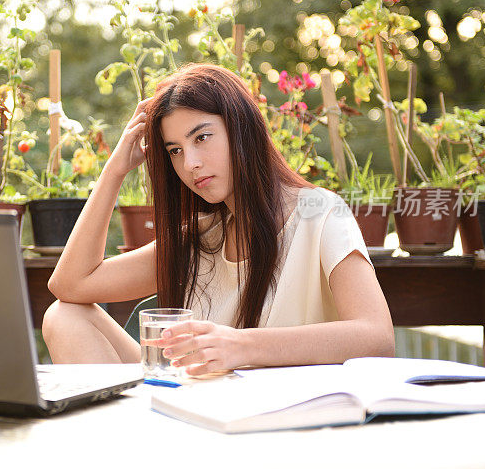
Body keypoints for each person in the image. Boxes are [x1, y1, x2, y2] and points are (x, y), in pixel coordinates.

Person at [42, 63, 394, 376]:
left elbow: (377, 337)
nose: (189, 163)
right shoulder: (200, 236)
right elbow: (70, 286)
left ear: (242, 129)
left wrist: (240, 346)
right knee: (64, 316)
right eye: (175, 150)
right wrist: (115, 170)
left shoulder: (320, 212)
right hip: (198, 407)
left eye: (202, 137)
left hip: (284, 416)